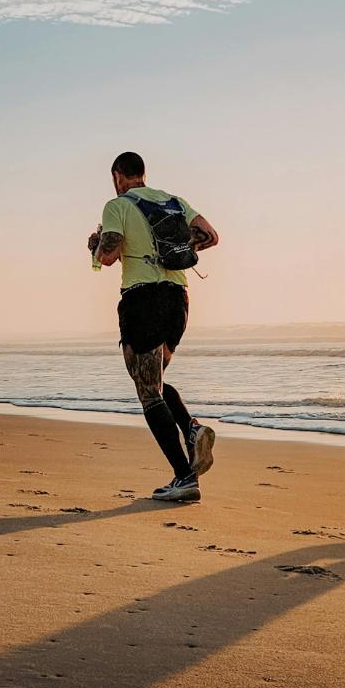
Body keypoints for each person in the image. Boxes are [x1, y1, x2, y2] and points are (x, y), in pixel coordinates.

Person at [87, 152, 219, 503]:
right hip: (178, 299)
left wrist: (96, 245)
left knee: (147, 391)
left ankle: (184, 476)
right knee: (155, 380)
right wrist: (176, 250)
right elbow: (210, 235)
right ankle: (191, 429)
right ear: (143, 174)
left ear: (118, 176)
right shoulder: (174, 201)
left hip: (142, 299)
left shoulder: (117, 206)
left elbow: (108, 255)